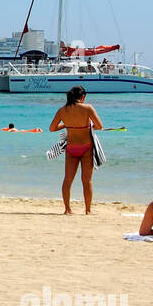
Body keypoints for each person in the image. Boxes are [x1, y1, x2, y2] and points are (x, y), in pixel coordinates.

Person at [49, 86, 102, 214]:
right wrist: (88, 126)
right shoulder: (88, 108)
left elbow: (52, 128)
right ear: (82, 97)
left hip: (71, 148)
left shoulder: (62, 110)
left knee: (67, 179)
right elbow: (99, 126)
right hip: (86, 147)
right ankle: (88, 210)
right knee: (87, 180)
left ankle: (67, 209)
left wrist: (67, 124)